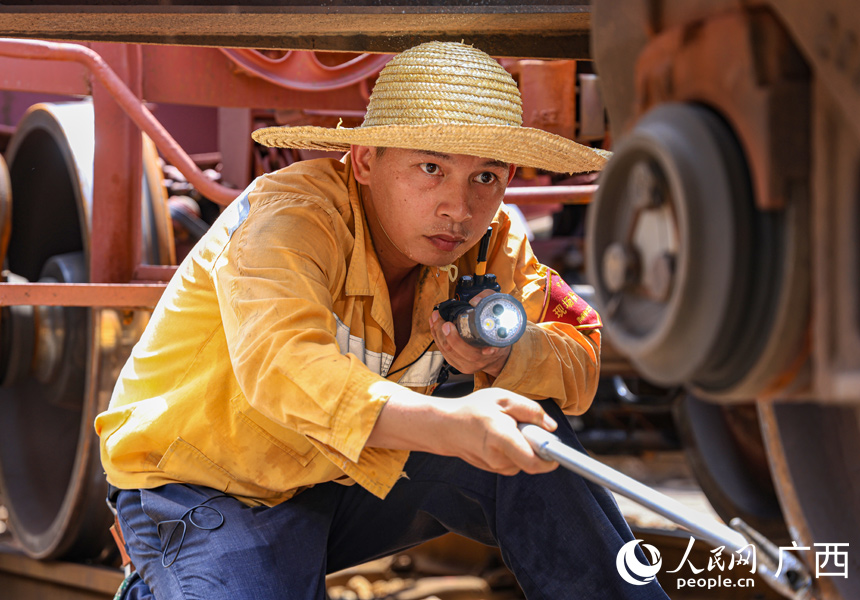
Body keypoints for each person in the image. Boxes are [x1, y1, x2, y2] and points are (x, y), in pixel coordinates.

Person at [95, 41, 668, 599]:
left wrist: (506, 357)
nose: (459, 207)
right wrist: (450, 424)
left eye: (485, 177)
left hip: (331, 477)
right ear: (366, 161)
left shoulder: (493, 242)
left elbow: (581, 347)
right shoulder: (293, 217)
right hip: (203, 485)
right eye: (430, 167)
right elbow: (283, 366)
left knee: (528, 431)